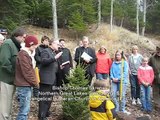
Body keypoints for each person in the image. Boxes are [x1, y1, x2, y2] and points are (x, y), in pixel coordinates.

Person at [0, 28, 26, 120]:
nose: (24, 39)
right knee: (4, 108)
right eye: (23, 37)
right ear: (18, 36)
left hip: (12, 80)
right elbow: (4, 62)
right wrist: (15, 74)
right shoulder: (8, 44)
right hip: (6, 80)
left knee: (9, 106)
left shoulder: (15, 46)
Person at [14, 35, 39, 120]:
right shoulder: (23, 55)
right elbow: (27, 72)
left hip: (27, 85)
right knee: (23, 111)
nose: (36, 46)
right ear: (31, 44)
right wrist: (35, 83)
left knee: (25, 110)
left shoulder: (28, 54)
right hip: (24, 86)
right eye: (35, 44)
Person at [38, 40, 62, 120]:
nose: (58, 45)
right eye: (57, 44)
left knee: (50, 98)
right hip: (46, 79)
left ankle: (46, 113)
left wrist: (59, 67)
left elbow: (53, 64)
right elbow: (44, 61)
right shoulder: (45, 51)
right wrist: (55, 58)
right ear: (52, 44)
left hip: (53, 79)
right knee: (44, 98)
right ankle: (41, 116)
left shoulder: (54, 52)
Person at [110, 50, 130, 114]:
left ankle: (122, 109)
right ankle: (117, 107)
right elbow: (111, 71)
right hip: (114, 81)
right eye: (116, 55)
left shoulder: (125, 63)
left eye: (118, 55)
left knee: (122, 95)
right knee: (113, 95)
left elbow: (125, 73)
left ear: (121, 55)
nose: (117, 56)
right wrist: (112, 78)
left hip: (122, 81)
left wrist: (118, 78)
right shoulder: (113, 62)